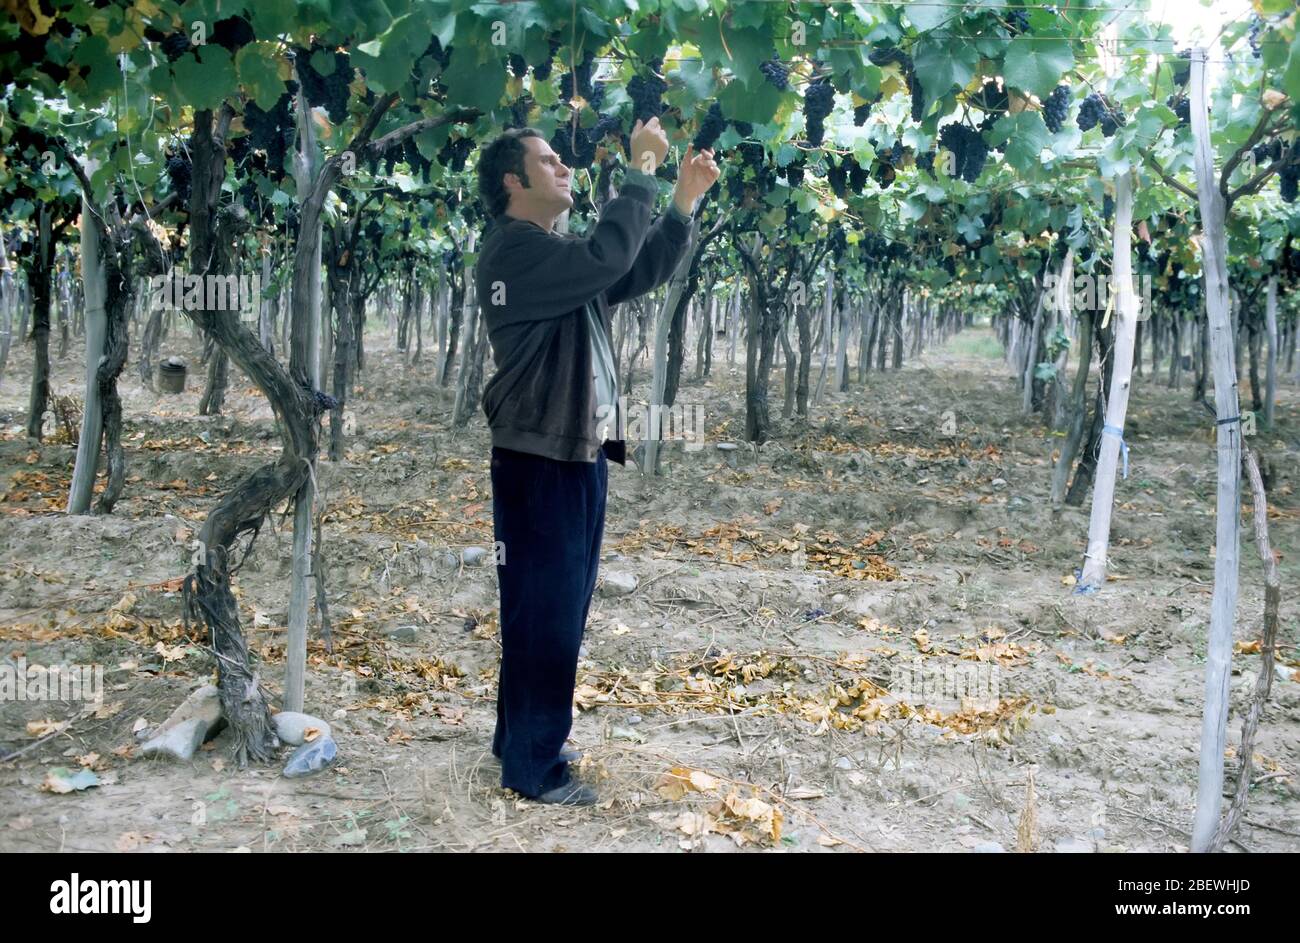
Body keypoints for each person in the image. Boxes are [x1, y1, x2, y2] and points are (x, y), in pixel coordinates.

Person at [474, 117, 720, 805]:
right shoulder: (514, 251)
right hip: (539, 456)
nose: (564, 168)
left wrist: (680, 203)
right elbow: (608, 257)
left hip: (573, 447)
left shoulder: (553, 255)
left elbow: (631, 268)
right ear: (513, 180)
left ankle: (520, 738)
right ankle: (535, 768)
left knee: (552, 603)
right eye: (548, 161)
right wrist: (640, 174)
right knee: (547, 609)